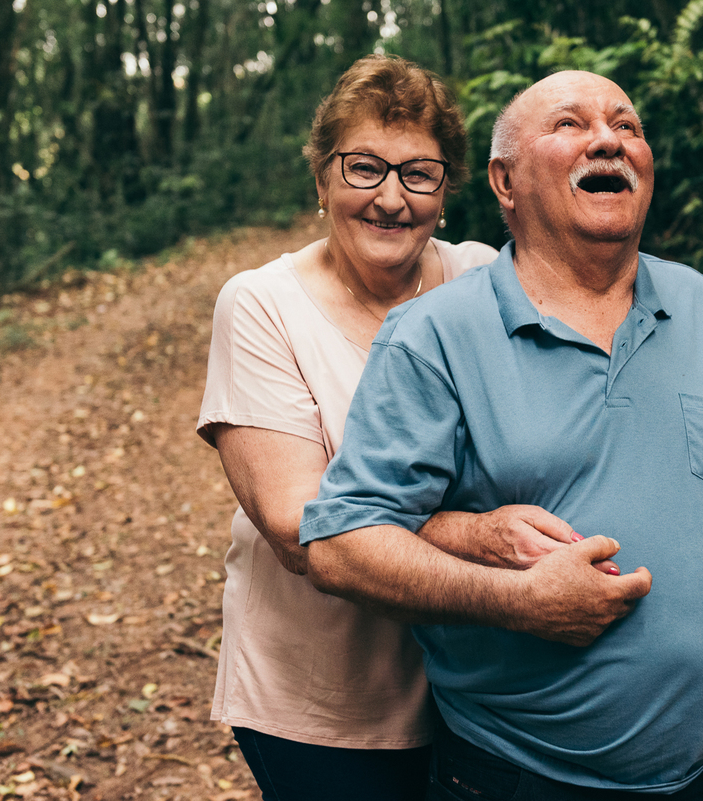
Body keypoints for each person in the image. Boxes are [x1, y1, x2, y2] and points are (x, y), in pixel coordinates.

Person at [298, 69, 703, 800]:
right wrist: (514, 600)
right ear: (505, 182)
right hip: (517, 777)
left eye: (627, 126)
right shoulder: (436, 335)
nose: (608, 139)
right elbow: (341, 544)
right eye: (570, 125)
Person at [195, 55, 532, 800]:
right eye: (364, 167)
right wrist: (485, 536)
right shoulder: (260, 306)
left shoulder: (483, 280)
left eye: (419, 173)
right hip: (320, 705)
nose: (390, 197)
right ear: (321, 179)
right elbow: (300, 527)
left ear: (446, 192)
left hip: (471, 694)